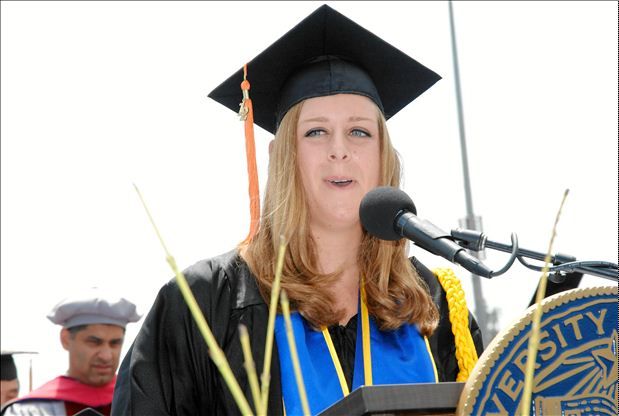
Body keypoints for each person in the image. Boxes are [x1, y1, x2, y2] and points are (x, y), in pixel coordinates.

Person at [112, 4, 484, 415]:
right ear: (282, 155)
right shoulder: (206, 303)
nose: (339, 150)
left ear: (384, 156)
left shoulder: (432, 306)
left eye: (359, 131)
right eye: (316, 132)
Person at [1, 289, 141, 416]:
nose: (106, 356)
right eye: (94, 342)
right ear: (66, 339)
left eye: (115, 343)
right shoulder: (31, 411)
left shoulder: (139, 401)